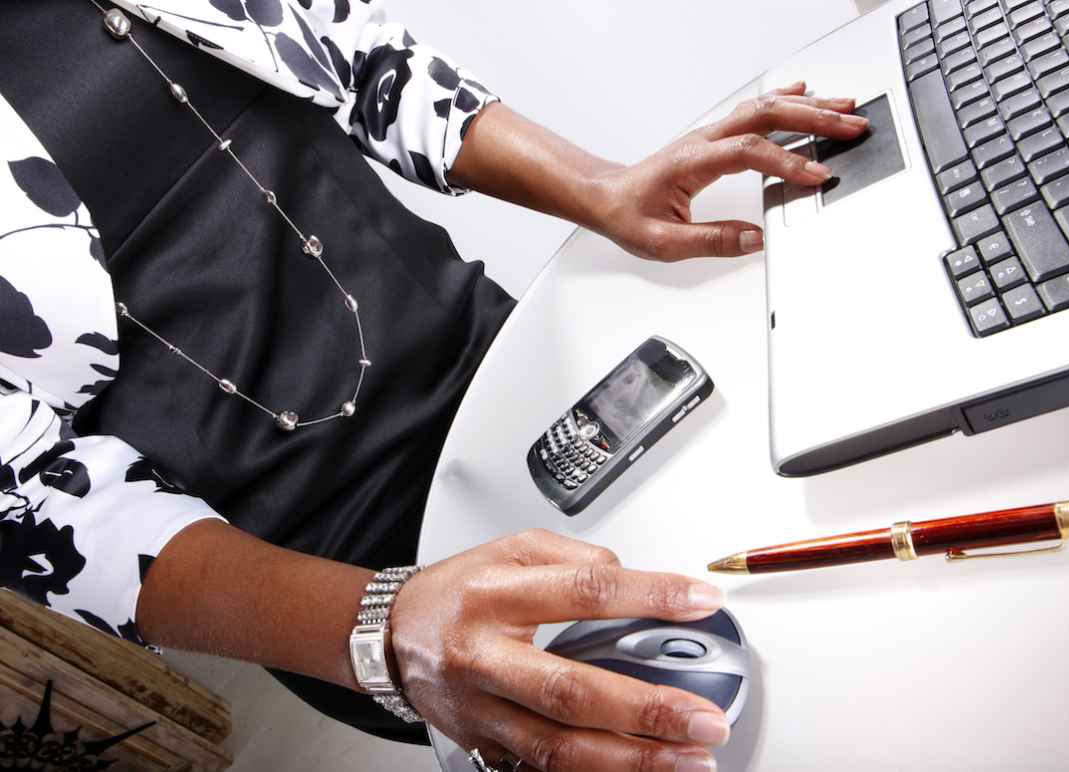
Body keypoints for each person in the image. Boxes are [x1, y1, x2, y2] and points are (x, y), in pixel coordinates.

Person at [0, 2, 867, 769]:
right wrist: (382, 623)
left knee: (824, 609)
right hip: (338, 569)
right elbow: (32, 503)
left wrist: (602, 186)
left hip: (508, 370)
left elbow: (358, 56)